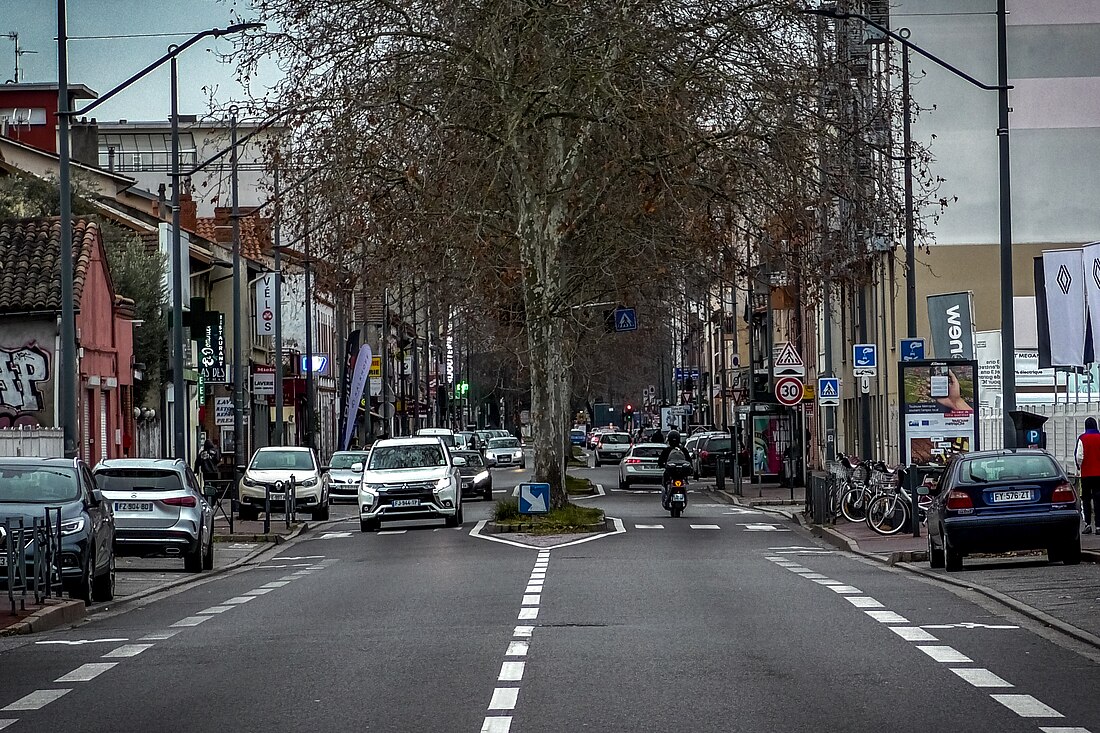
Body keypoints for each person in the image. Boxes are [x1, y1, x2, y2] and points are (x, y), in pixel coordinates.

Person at [1075, 417, 1100, 533]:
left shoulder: (1082, 438)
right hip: (1099, 474)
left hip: (1086, 474)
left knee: (1085, 499)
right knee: (1098, 499)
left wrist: (1079, 467)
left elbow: (1079, 456)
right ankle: (1099, 526)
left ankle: (1088, 524)